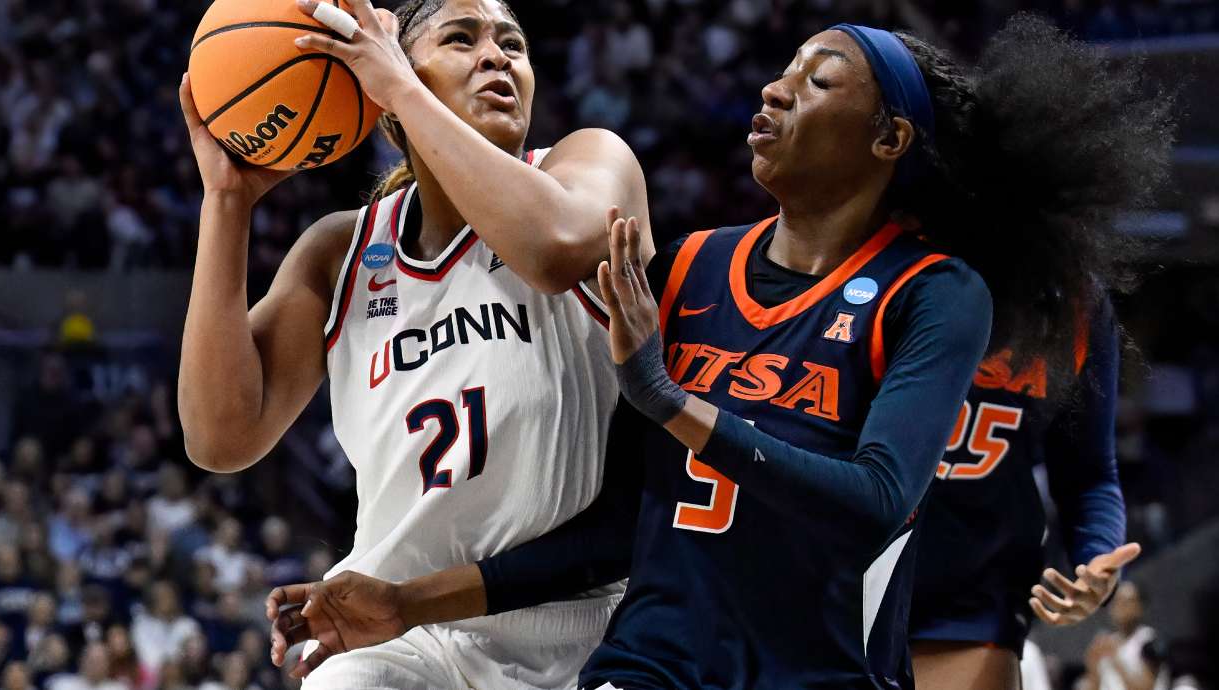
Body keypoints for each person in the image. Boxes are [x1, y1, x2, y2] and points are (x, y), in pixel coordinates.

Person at [267, 14, 1176, 690]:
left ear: (889, 138)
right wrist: (404, 601)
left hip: (826, 662)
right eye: (781, 72)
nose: (774, 90)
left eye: (816, 81)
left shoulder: (937, 292)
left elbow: (877, 503)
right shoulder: (695, 266)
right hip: (653, 660)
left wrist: (670, 400)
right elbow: (619, 520)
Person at [176, 0, 650, 688]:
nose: (497, 56)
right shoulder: (342, 252)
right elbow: (220, 438)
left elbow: (553, 255)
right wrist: (226, 203)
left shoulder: (587, 166)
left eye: (512, 43)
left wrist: (397, 87)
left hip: (580, 622)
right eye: (462, 38)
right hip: (397, 629)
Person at [908, 16, 1173, 689]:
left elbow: (1090, 473)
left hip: (975, 599)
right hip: (836, 580)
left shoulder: (1076, 305)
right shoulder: (889, 273)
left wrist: (1095, 564)